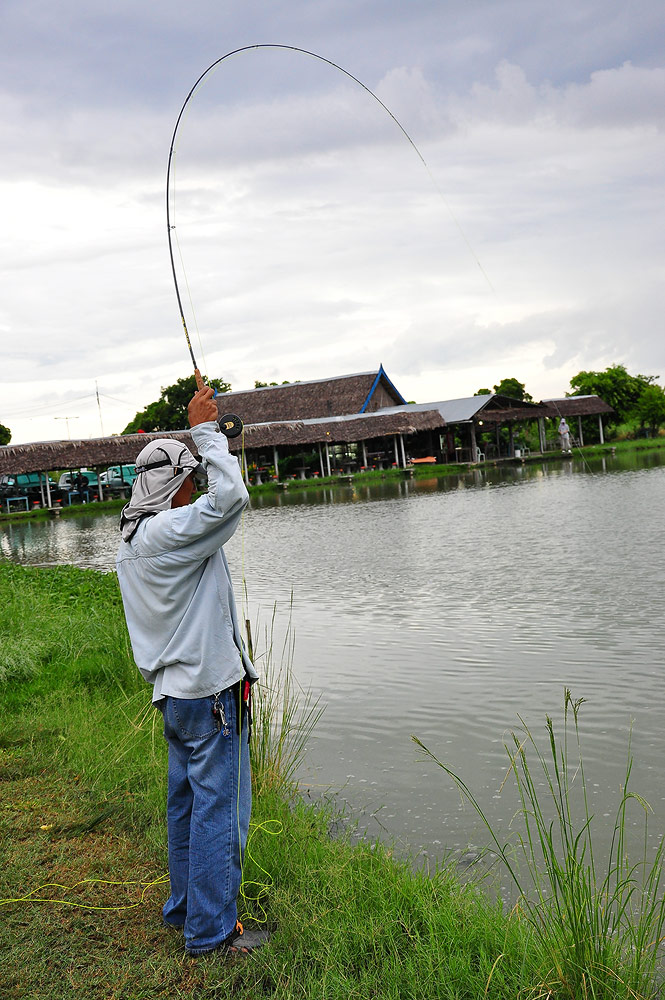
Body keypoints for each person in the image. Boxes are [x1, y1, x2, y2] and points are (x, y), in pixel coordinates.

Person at [116, 378, 267, 958]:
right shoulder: (173, 531)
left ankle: (185, 910)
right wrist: (208, 430)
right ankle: (210, 935)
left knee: (186, 810)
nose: (195, 493)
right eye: (191, 483)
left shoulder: (133, 538)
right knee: (219, 816)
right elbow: (230, 500)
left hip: (175, 699)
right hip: (207, 697)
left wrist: (217, 445)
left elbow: (220, 504)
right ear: (177, 488)